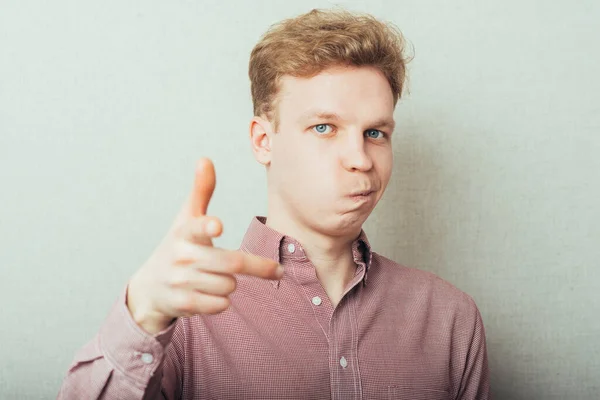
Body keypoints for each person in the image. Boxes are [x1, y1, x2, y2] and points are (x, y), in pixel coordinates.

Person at [57, 8, 490, 400]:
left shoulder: (450, 319)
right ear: (264, 141)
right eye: (325, 127)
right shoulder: (185, 315)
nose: (360, 159)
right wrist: (141, 319)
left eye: (375, 133)